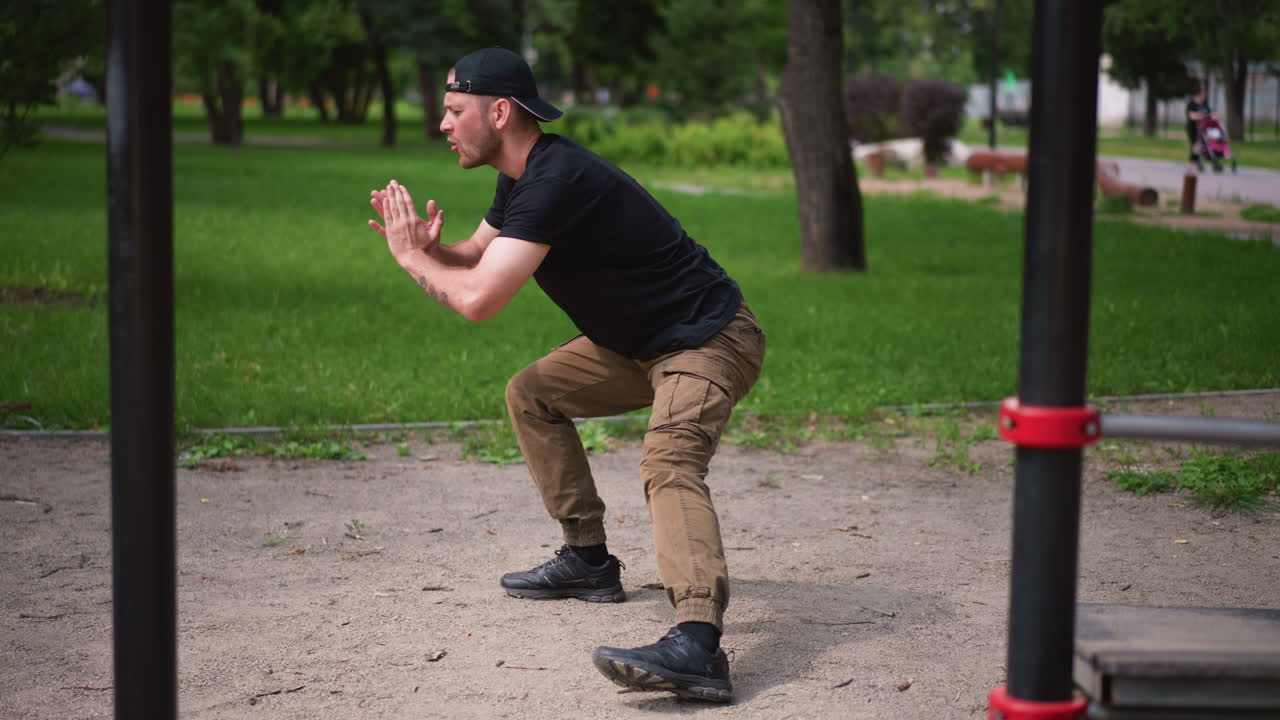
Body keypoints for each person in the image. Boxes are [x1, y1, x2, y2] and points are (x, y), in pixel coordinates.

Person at [367, 47, 765, 703]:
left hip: (708, 338)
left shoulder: (557, 179)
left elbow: (479, 300)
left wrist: (411, 259)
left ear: (499, 112)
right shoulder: (523, 176)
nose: (443, 124)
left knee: (669, 459)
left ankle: (698, 643)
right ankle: (587, 560)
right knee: (533, 395)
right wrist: (432, 248)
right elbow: (475, 256)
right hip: (636, 345)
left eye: (455, 110)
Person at [1185, 85, 1213, 165]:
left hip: (1204, 128)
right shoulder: (1191, 104)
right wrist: (1199, 116)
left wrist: (1213, 116)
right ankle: (1193, 162)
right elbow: (1191, 115)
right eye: (1203, 94)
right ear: (1198, 94)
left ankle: (1198, 160)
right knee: (1196, 145)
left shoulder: (1205, 104)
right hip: (1193, 128)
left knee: (1203, 145)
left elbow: (1210, 114)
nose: (1204, 96)